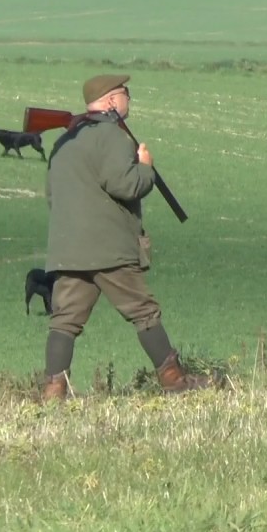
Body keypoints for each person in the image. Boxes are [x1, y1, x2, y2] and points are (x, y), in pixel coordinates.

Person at [38, 73, 215, 402]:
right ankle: (174, 380)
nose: (128, 99)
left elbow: (52, 195)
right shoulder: (113, 137)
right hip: (109, 248)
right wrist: (145, 167)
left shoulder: (63, 141)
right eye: (125, 94)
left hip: (68, 248)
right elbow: (124, 184)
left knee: (65, 319)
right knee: (143, 311)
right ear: (110, 101)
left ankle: (53, 392)